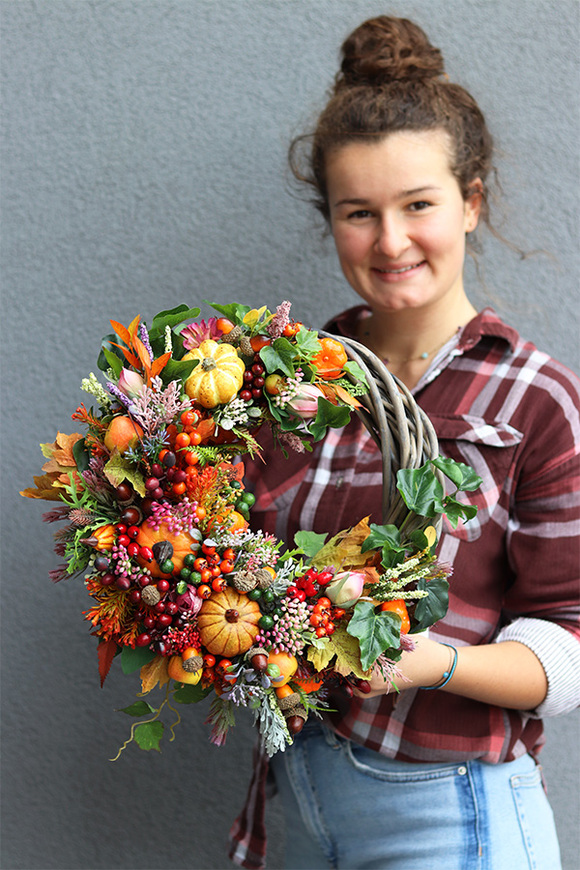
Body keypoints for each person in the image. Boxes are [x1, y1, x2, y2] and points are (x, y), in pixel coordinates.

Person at [229, 15, 580, 870]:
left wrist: (434, 662)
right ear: (332, 220)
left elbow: (567, 651)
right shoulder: (283, 387)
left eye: (418, 204)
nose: (390, 242)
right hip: (294, 800)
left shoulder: (538, 399)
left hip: (449, 811)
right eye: (360, 213)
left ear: (471, 201)